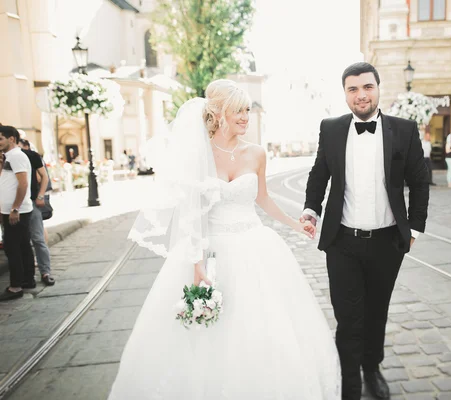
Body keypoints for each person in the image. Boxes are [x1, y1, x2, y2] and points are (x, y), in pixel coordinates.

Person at [108, 80, 341, 399]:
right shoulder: (199, 154)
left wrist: (295, 224)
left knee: (265, 325)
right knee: (211, 331)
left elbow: (263, 198)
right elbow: (194, 214)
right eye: (238, 111)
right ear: (219, 115)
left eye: (247, 110)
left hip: (256, 246)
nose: (246, 117)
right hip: (212, 251)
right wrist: (196, 262)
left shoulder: (256, 153)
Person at [301, 62, 429, 400]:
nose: (361, 95)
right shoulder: (330, 128)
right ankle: (350, 386)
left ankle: (372, 368)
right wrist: (311, 209)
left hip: (388, 242)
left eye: (367, 87)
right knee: (348, 318)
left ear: (378, 88)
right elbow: (319, 175)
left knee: (376, 313)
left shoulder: (404, 130)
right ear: (345, 93)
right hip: (342, 241)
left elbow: (419, 182)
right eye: (353, 89)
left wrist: (415, 228)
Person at [0, 126, 35, 301]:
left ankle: (15, 287)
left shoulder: (17, 157)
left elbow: (23, 184)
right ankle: (28, 280)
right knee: (22, 246)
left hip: (16, 211)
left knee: (12, 248)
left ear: (11, 139)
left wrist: (14, 208)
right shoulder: (9, 157)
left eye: (0, 139)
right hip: (12, 210)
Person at [17, 139, 55, 286]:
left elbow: (42, 176)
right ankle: (26, 276)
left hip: (31, 202)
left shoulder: (31, 156)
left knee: (38, 239)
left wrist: (40, 196)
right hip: (10, 205)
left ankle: (45, 272)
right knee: (19, 242)